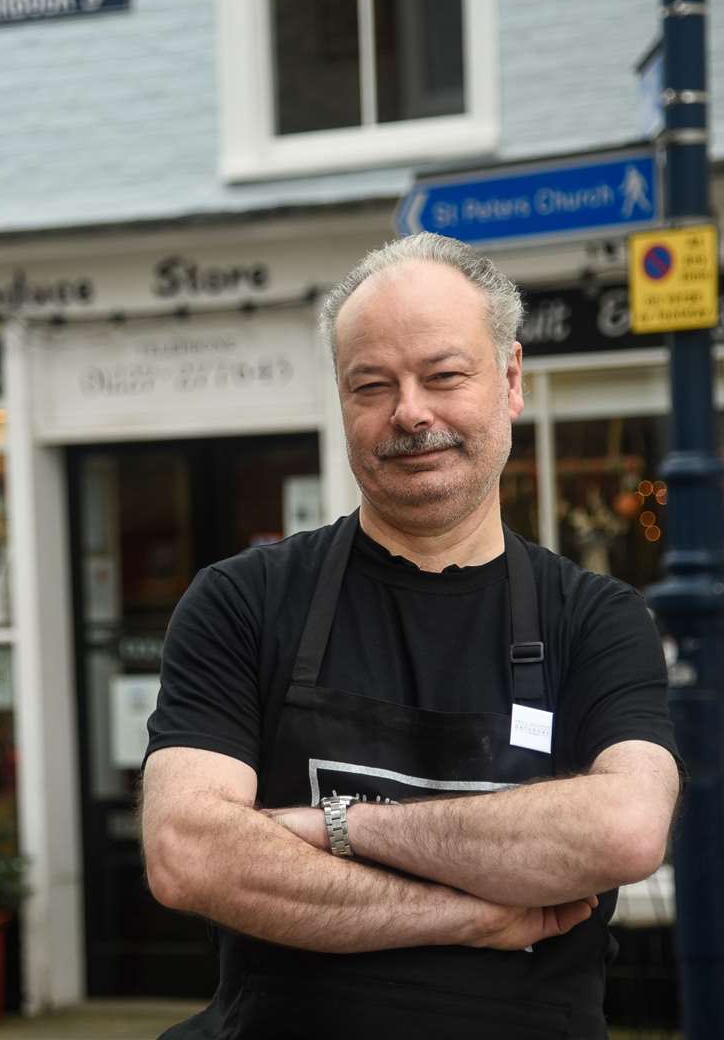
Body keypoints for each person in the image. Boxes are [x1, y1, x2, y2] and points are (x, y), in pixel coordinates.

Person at [140, 233, 682, 1039]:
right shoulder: (242, 601)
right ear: (342, 402)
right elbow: (188, 851)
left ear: (510, 380)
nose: (411, 412)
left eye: (443, 375)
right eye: (372, 385)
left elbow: (622, 830)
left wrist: (341, 825)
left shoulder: (597, 618)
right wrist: (467, 914)